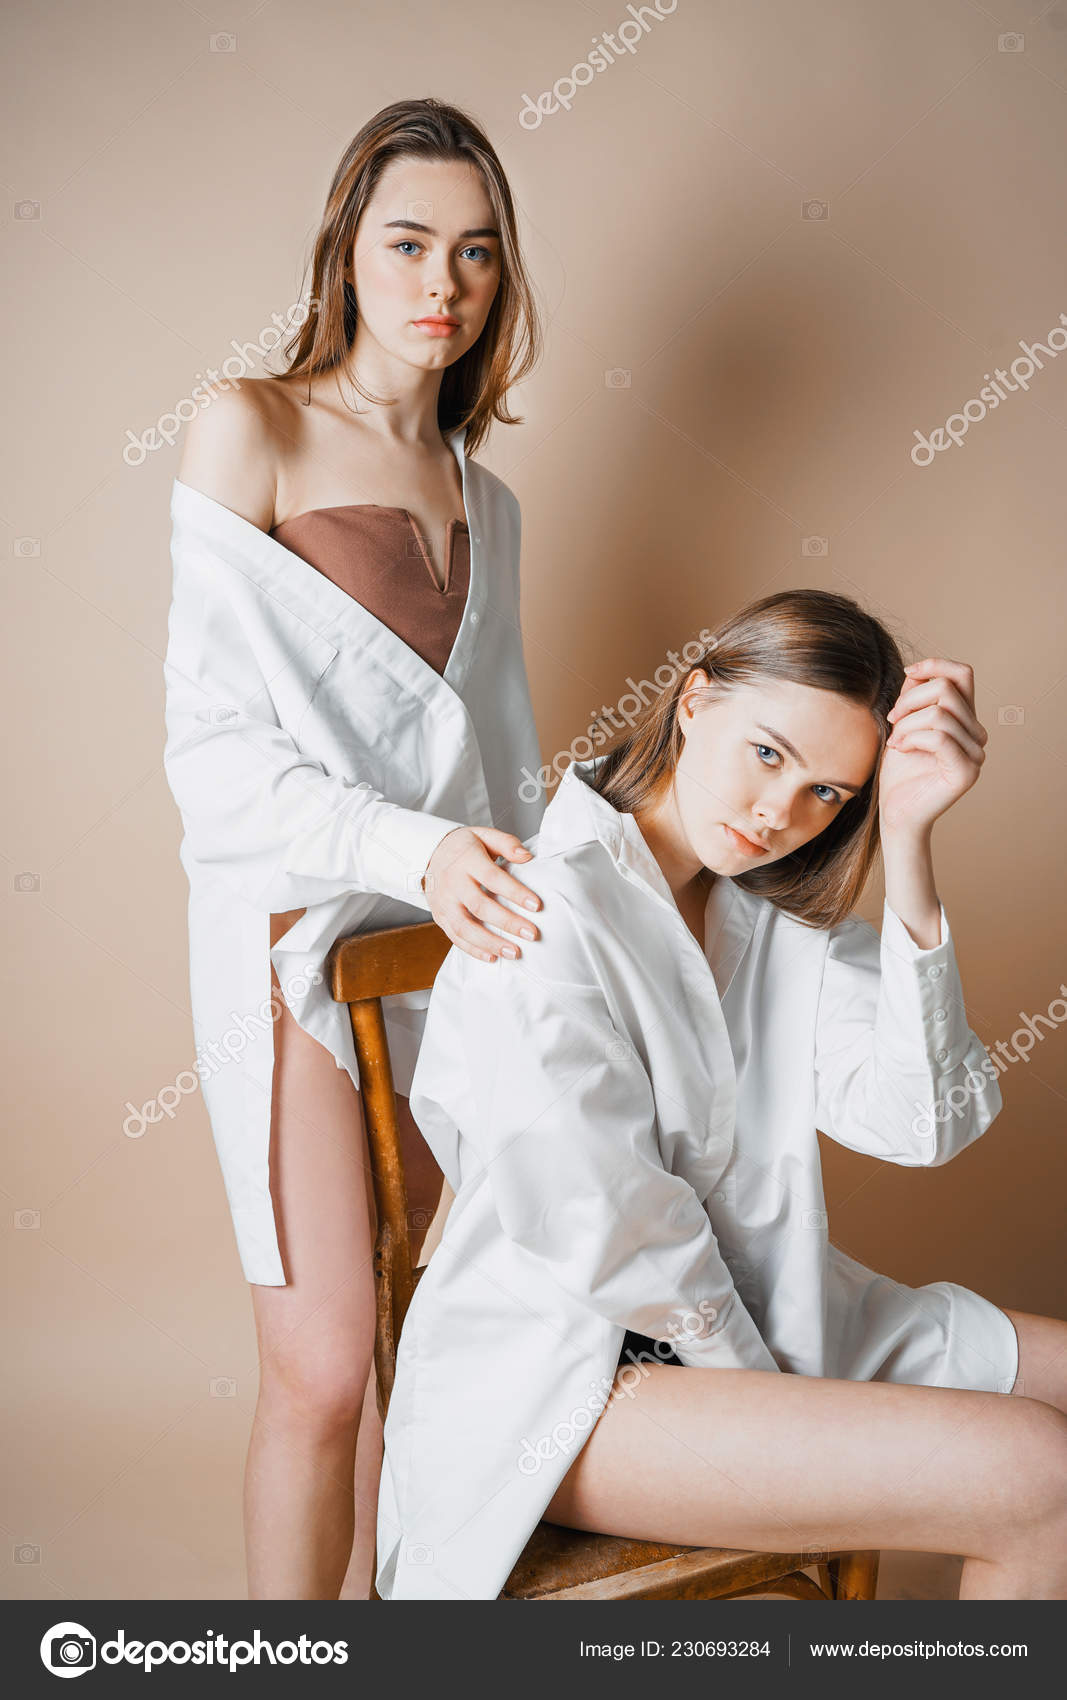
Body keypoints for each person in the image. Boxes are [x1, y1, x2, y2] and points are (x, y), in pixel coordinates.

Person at [375, 588, 1067, 1602]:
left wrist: (911, 841)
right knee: (1032, 1471)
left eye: (828, 792)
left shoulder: (774, 918)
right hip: (574, 1382)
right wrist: (783, 1394)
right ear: (694, 700)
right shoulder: (543, 913)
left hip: (766, 1318)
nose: (778, 814)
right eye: (767, 753)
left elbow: (923, 1123)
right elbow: (610, 1231)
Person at [163, 97, 550, 1598]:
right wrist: (413, 844)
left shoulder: (486, 496)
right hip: (295, 949)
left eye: (475, 250)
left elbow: (499, 768)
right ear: (344, 249)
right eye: (406, 242)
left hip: (451, 961)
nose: (440, 282)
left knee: (425, 1359)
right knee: (323, 1368)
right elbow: (213, 759)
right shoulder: (246, 426)